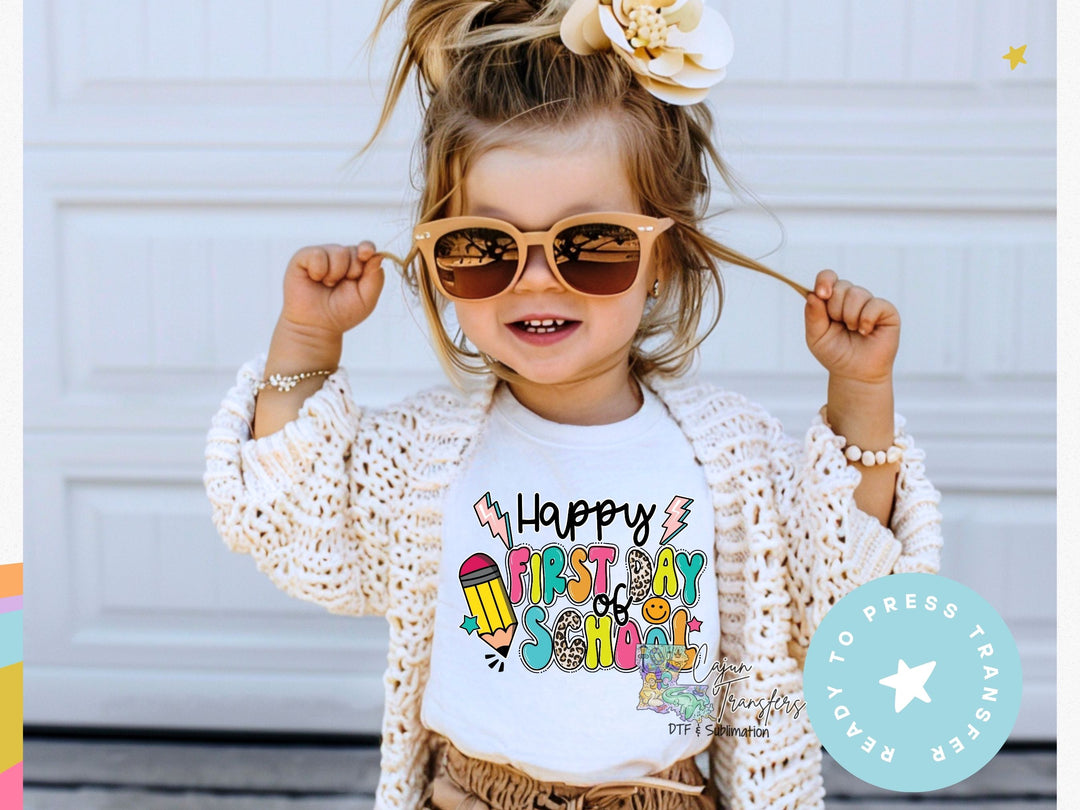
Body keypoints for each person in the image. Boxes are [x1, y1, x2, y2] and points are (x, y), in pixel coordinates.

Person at [203, 1, 943, 808]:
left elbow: (838, 596)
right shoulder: (421, 457)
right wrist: (307, 340)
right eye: (485, 248)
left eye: (590, 245)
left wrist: (861, 392)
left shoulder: (730, 460)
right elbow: (287, 519)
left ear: (664, 258)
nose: (535, 280)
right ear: (440, 261)